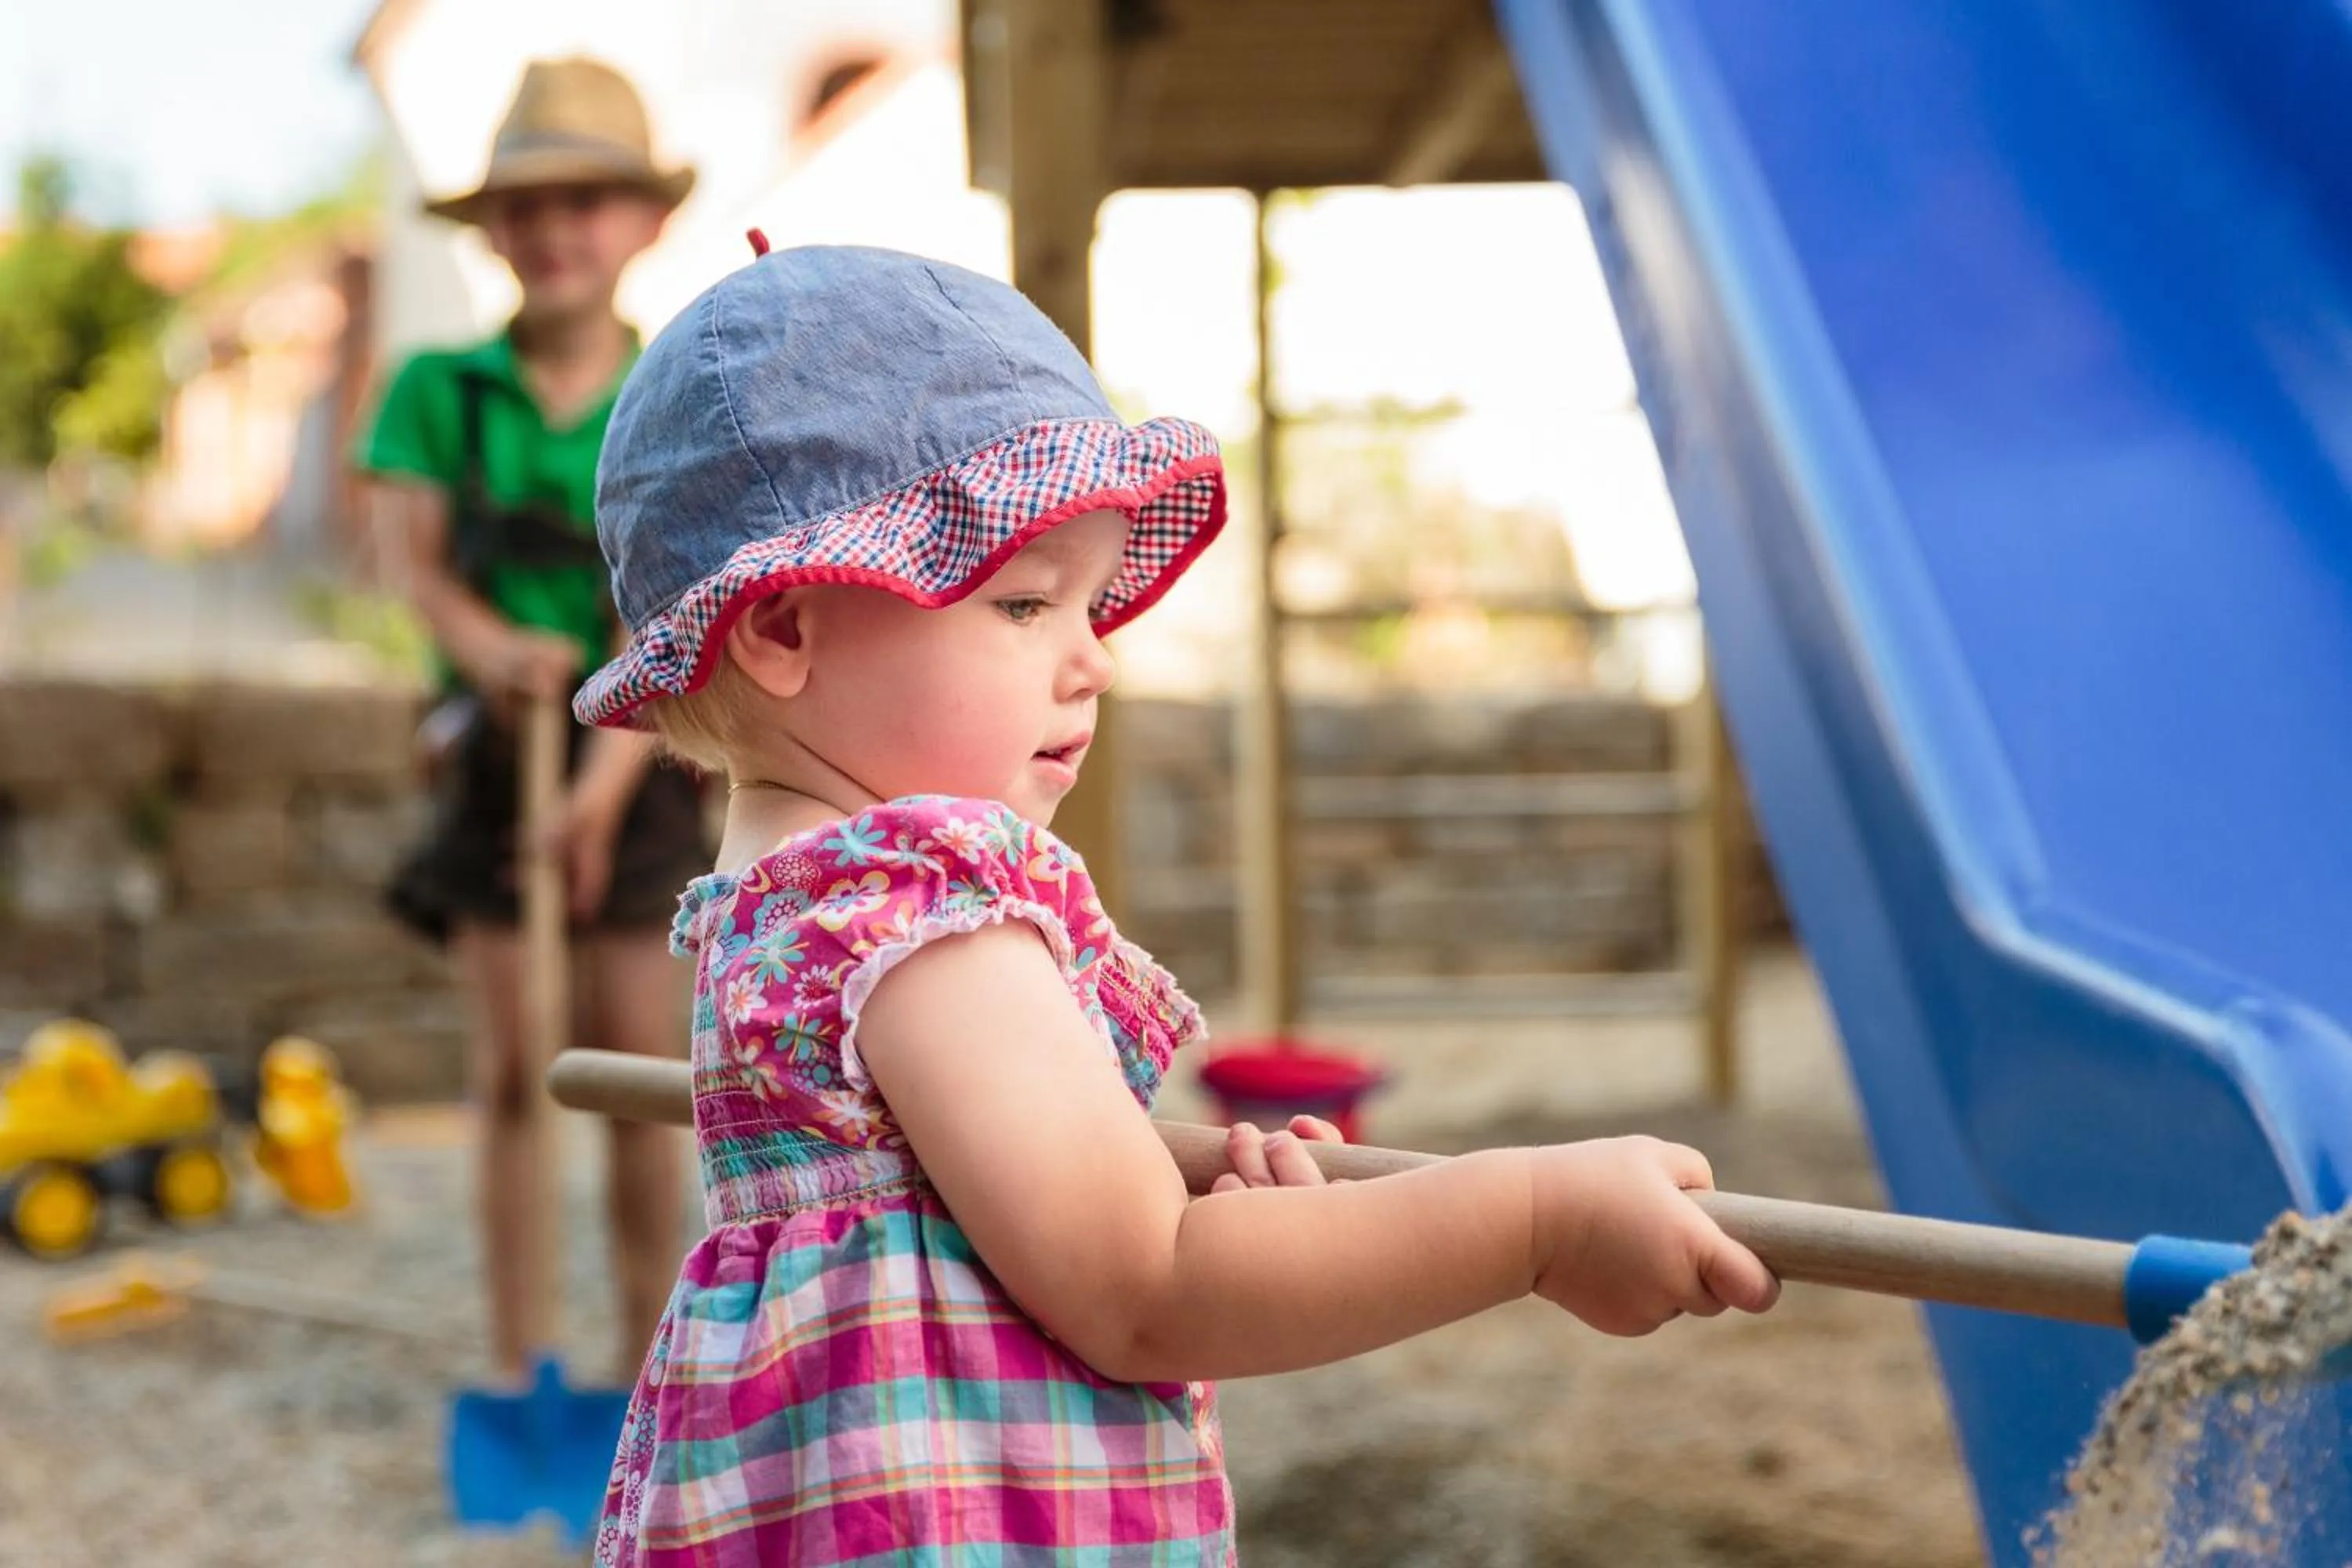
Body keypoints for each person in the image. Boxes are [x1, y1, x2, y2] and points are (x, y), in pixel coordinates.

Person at [579, 242, 1780, 1566]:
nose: (1092, 658)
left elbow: (962, 1231)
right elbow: (1148, 1294)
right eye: (1023, 601)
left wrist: (1187, 1190)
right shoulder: (917, 916)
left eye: (1091, 603)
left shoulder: (766, 911)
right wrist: (1541, 1224)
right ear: (785, 630)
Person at [351, 56, 702, 1383]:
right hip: (495, 755)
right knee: (514, 1074)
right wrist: (495, 649)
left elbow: (665, 607)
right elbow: (418, 567)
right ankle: (520, 1362)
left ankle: (644, 1366)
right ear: (492, 229)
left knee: (631, 1080)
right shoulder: (438, 391)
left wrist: (600, 796)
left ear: (643, 221)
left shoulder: (672, 389)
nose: (557, 230)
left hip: (645, 751)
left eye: (590, 201)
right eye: (528, 205)